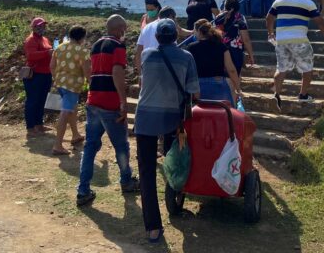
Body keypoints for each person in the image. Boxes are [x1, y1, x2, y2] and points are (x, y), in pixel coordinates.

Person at [134, 19, 200, 244]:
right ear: (176, 36)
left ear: (157, 38)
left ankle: (152, 228)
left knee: (147, 173)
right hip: (174, 119)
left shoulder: (147, 56)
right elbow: (194, 91)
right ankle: (175, 201)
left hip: (145, 117)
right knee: (176, 161)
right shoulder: (187, 57)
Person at [76, 15, 139, 207]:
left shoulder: (96, 45)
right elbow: (117, 72)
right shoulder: (118, 46)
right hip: (110, 102)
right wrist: (122, 101)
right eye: (125, 29)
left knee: (90, 147)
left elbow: (90, 67)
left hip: (93, 100)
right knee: (121, 146)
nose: (125, 33)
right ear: (120, 29)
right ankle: (126, 180)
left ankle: (83, 190)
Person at [267, 0, 324, 110]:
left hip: (281, 40)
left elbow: (268, 18)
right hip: (299, 40)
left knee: (281, 69)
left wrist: (271, 33)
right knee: (307, 68)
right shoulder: (307, 3)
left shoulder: (279, 1)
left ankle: (276, 94)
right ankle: (303, 95)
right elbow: (319, 22)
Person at [50, 25, 87, 155]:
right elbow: (87, 71)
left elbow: (52, 66)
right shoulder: (82, 51)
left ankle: (75, 135)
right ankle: (58, 145)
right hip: (72, 86)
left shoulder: (59, 48)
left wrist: (57, 79)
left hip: (60, 84)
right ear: (82, 38)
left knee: (72, 108)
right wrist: (91, 83)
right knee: (66, 112)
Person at [186, 19, 241, 104]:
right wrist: (238, 88)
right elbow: (231, 69)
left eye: (194, 31)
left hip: (198, 87)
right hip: (218, 83)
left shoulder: (191, 47)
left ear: (199, 32)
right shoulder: (221, 46)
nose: (193, 33)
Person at [134, 7, 191, 75]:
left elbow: (138, 52)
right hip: (165, 69)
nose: (176, 21)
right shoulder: (170, 27)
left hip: (148, 68)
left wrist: (141, 74)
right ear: (170, 17)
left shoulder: (146, 27)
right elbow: (180, 31)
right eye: (175, 18)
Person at [22, 17, 54, 137]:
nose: (41, 28)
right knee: (32, 101)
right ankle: (30, 128)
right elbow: (31, 56)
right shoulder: (31, 40)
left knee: (42, 100)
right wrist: (47, 53)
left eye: (43, 26)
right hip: (34, 75)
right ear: (33, 27)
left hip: (46, 74)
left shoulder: (45, 39)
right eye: (39, 26)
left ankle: (39, 124)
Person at [213, 0, 255, 75]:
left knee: (222, 73)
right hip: (235, 50)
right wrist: (251, 55)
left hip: (220, 48)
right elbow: (245, 39)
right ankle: (236, 87)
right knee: (235, 73)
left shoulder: (218, 17)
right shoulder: (240, 18)